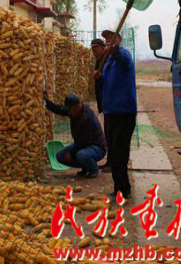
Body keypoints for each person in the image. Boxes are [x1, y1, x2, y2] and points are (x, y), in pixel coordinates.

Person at [99, 30, 137, 199]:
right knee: (113, 152)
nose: (108, 41)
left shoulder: (123, 55)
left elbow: (123, 59)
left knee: (120, 153)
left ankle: (124, 190)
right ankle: (118, 188)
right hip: (110, 112)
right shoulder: (108, 62)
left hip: (124, 112)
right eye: (106, 39)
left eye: (111, 38)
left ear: (118, 40)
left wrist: (115, 49)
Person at [44, 93, 107, 178]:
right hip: (82, 145)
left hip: (97, 147)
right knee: (60, 156)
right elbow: (58, 109)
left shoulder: (86, 117)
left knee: (81, 155)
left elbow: (84, 142)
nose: (68, 113)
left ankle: (93, 169)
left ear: (76, 108)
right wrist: (46, 102)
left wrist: (72, 153)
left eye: (69, 110)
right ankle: (85, 167)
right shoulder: (74, 111)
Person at [91, 38, 112, 171]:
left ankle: (113, 162)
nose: (94, 52)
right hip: (105, 103)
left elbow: (109, 82)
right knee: (108, 133)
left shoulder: (108, 61)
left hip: (111, 103)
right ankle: (110, 161)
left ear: (103, 48)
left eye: (96, 49)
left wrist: (99, 78)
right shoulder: (99, 61)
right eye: (92, 50)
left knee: (112, 134)